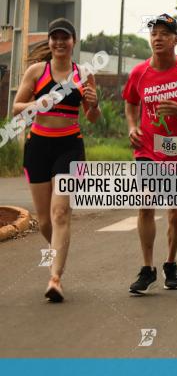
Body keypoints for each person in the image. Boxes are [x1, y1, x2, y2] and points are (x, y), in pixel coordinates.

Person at [123, 14, 177, 294]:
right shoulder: (139, 73)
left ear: (176, 39)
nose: (158, 38)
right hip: (149, 149)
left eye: (164, 33)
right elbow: (130, 102)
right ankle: (147, 268)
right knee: (146, 202)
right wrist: (133, 126)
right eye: (154, 33)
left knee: (175, 214)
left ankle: (170, 262)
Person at [14, 18, 101, 302]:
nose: (59, 42)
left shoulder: (84, 74)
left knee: (61, 211)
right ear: (50, 42)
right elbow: (16, 108)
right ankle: (59, 252)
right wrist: (35, 105)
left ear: (74, 42)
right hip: (37, 147)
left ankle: (55, 278)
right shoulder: (36, 71)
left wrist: (94, 103)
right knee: (45, 220)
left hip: (70, 147)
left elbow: (92, 117)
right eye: (55, 38)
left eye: (65, 38)